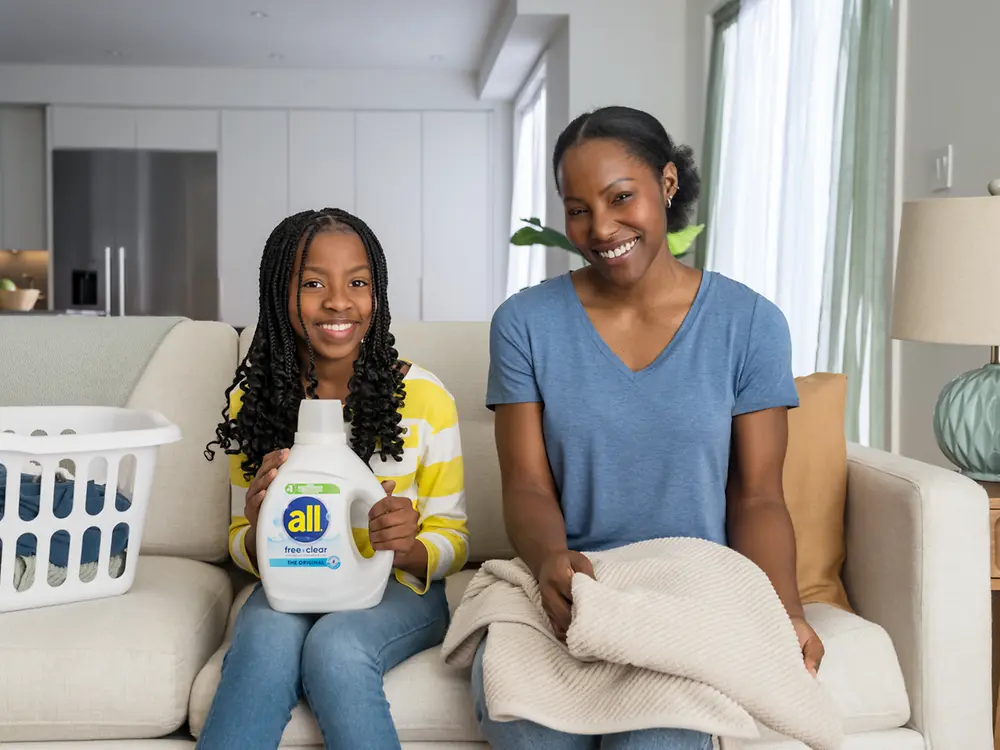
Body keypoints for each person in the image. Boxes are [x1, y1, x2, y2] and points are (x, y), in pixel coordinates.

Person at [475, 106, 823, 750]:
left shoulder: (749, 324)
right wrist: (551, 561)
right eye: (578, 209)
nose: (601, 228)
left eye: (620, 198)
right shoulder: (524, 324)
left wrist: (788, 612)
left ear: (667, 183)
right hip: (572, 585)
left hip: (691, 593)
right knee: (528, 728)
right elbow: (525, 483)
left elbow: (757, 496)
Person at [200, 208, 469, 750]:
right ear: (279, 294)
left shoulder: (425, 399)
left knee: (337, 648)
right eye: (313, 283)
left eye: (358, 283)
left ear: (378, 295)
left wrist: (407, 546)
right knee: (265, 638)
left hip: (396, 590)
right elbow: (240, 543)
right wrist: (256, 528)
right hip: (294, 580)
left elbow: (455, 543)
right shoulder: (254, 402)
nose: (339, 302)